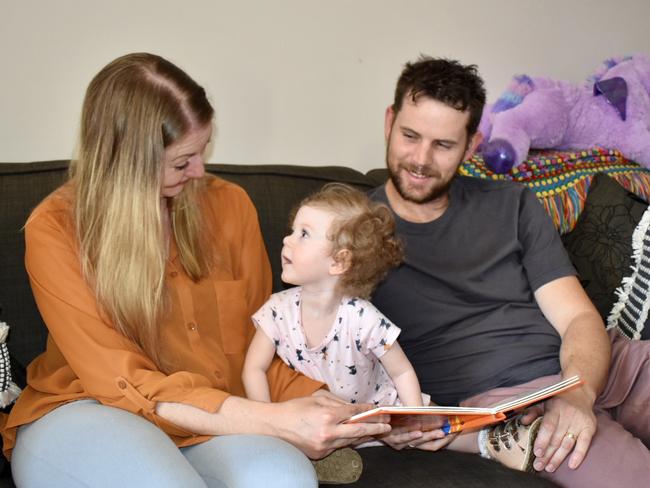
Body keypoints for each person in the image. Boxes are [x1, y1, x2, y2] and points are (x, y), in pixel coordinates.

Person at [1, 52, 391, 487]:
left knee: (284, 478)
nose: (201, 171)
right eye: (182, 161)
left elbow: (261, 343)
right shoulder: (56, 228)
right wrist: (274, 421)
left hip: (207, 419)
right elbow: (121, 382)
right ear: (127, 163)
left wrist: (333, 406)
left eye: (202, 150)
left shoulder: (229, 206)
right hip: (86, 410)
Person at [366, 55, 650, 486]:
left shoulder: (511, 204)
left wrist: (577, 390)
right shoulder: (352, 230)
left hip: (597, 366)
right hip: (510, 407)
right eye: (410, 136)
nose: (420, 159)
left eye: (443, 144)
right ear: (389, 122)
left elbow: (575, 316)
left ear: (472, 144)